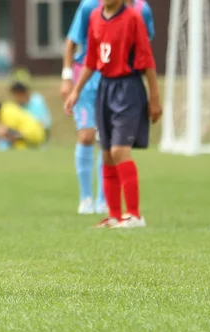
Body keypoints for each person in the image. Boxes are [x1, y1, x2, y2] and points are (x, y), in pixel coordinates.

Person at [64, 0, 162, 228]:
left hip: (128, 88)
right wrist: (76, 91)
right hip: (104, 89)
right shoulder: (95, 17)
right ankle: (115, 215)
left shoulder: (133, 18)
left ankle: (135, 215)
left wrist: (154, 97)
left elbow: (147, 60)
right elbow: (91, 60)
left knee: (120, 150)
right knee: (107, 153)